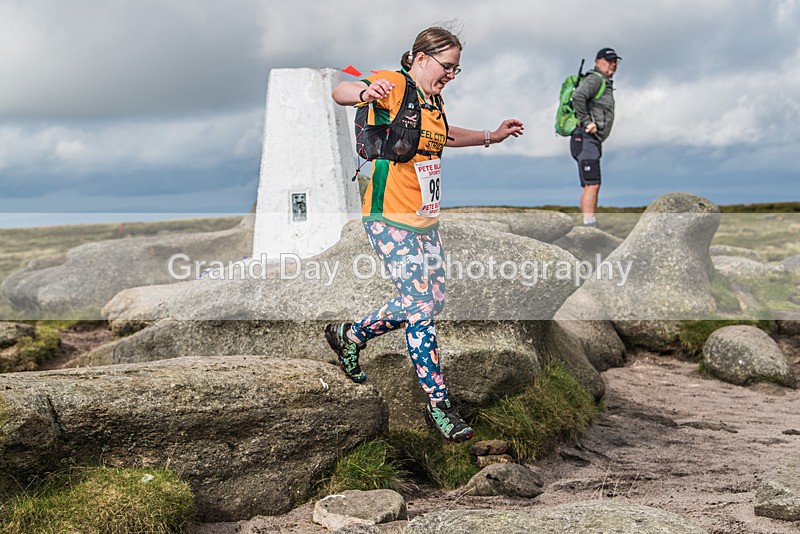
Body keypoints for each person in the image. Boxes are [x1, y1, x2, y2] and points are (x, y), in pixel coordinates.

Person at [326, 26, 524, 443]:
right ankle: (439, 404)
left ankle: (350, 334)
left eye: (457, 69)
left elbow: (444, 136)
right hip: (388, 215)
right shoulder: (396, 83)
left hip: (425, 219)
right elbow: (342, 91)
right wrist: (365, 93)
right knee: (420, 307)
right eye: (447, 66)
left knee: (430, 299)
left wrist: (493, 135)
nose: (451, 74)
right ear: (420, 58)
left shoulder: (433, 99)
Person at [571, 47, 620, 227]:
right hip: (585, 138)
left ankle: (588, 222)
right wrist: (586, 122)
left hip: (587, 140)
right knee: (593, 183)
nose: (613, 65)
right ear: (598, 62)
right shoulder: (595, 79)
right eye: (609, 61)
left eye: (615, 61)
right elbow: (578, 96)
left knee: (588, 184)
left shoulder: (603, 82)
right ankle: (589, 224)